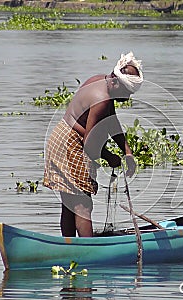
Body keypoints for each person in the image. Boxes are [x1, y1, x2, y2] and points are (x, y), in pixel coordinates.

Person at [43, 52, 144, 237]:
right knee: (82, 204)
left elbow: (111, 121)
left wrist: (127, 152)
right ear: (115, 82)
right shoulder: (101, 99)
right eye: (126, 92)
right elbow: (89, 144)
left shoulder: (100, 81)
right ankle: (88, 251)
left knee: (69, 205)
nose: (127, 98)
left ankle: (69, 248)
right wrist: (109, 157)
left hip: (60, 137)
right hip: (70, 144)